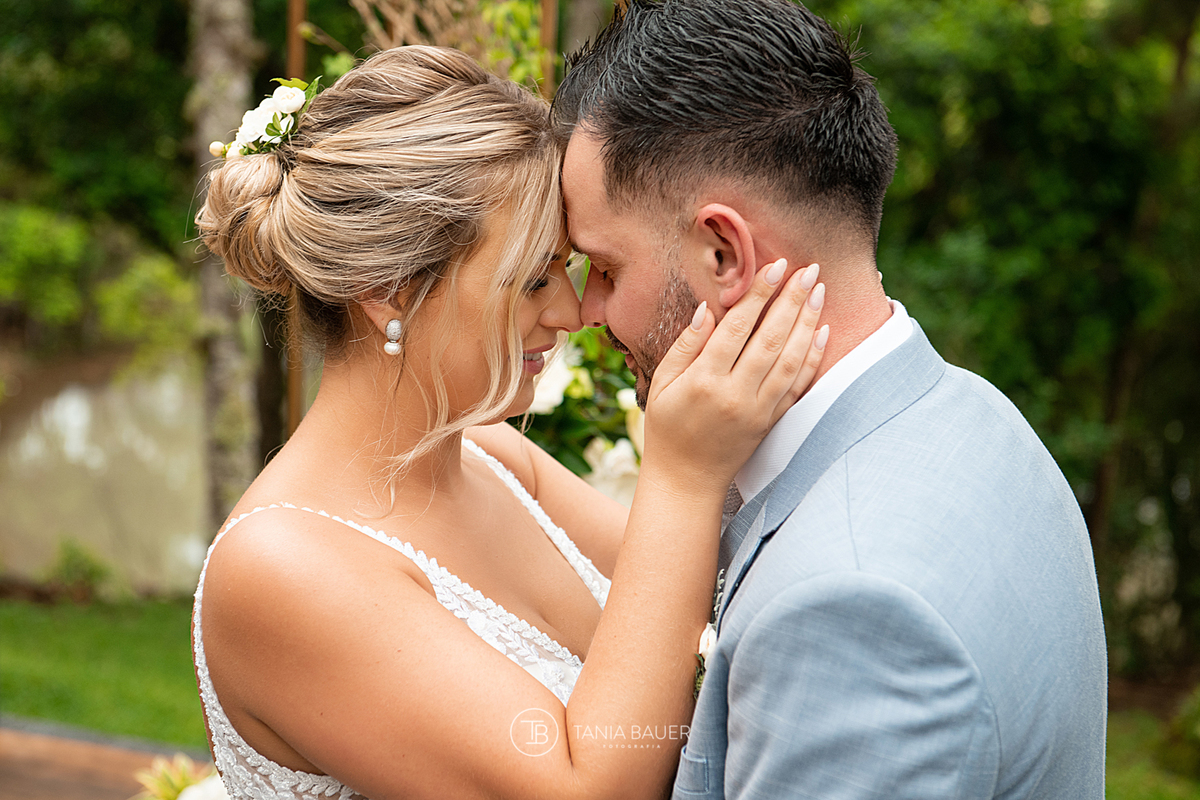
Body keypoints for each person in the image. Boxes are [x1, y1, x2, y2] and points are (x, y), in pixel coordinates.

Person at [191, 45, 828, 799]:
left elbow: (726, 602)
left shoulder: (496, 458)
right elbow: (587, 789)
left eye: (564, 268)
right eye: (532, 279)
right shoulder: (282, 568)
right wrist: (683, 475)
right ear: (388, 288)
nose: (569, 311)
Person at [553, 0, 1108, 797]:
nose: (587, 311)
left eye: (604, 268)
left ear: (723, 252)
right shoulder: (976, 416)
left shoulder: (849, 609)